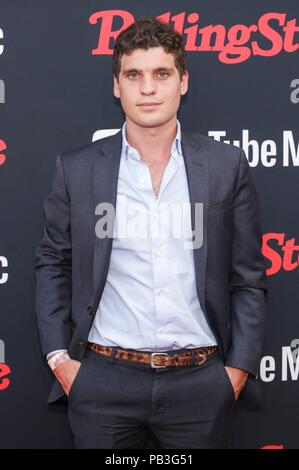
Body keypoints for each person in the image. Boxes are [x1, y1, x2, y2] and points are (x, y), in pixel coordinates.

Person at [34, 16, 267, 449]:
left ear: (182, 81)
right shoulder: (78, 168)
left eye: (161, 73)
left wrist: (236, 372)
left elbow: (248, 276)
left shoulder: (224, 166)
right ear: (116, 85)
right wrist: (61, 361)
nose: (147, 88)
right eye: (133, 75)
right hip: (102, 382)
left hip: (200, 383)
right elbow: (53, 263)